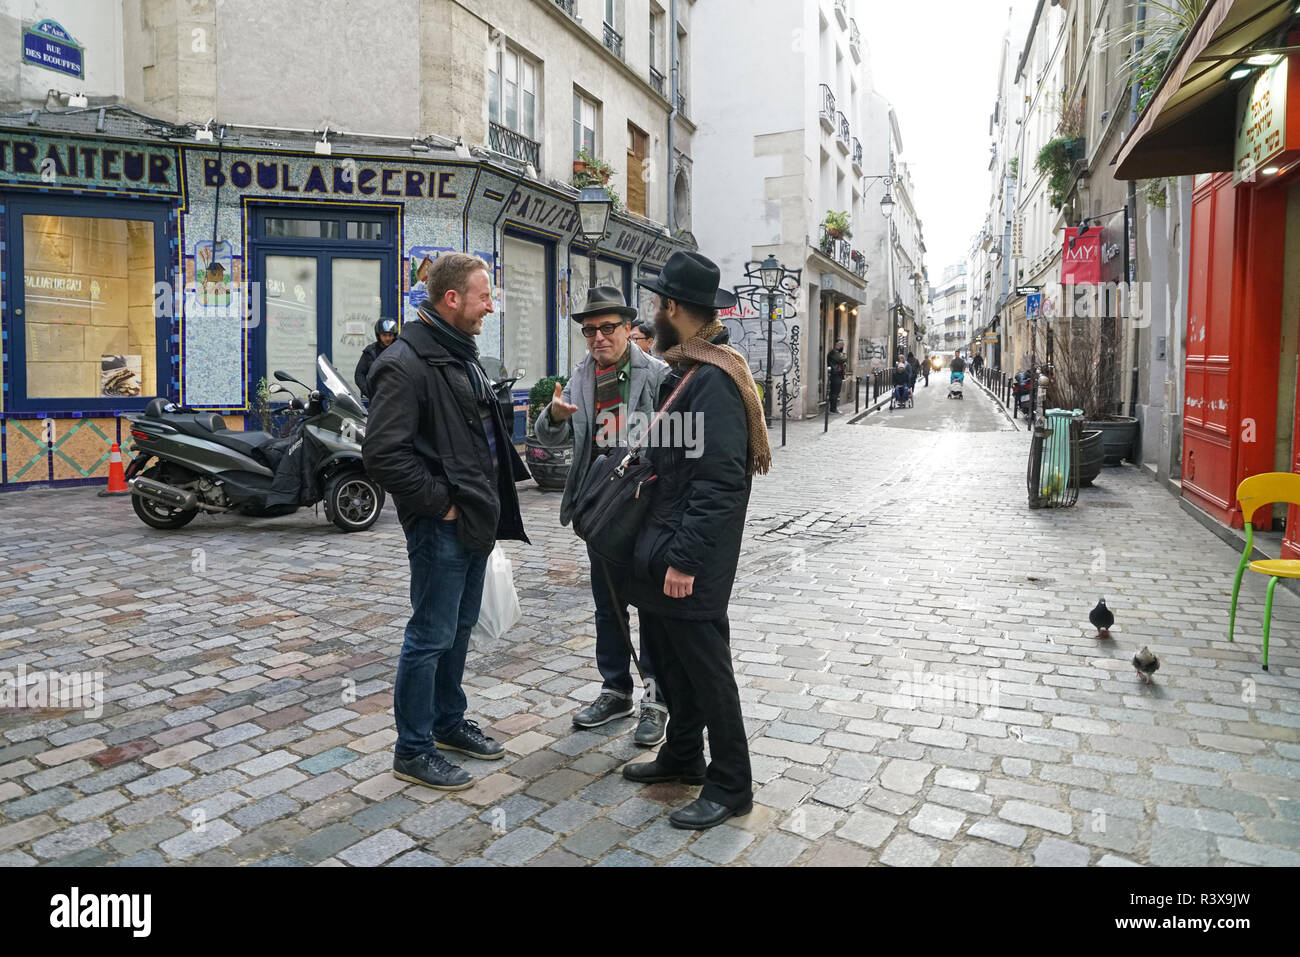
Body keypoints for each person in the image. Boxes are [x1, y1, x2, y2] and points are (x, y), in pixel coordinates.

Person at [363, 253, 530, 791]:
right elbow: (384, 454)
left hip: (475, 519)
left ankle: (448, 722)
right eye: (484, 295)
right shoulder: (406, 361)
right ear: (452, 298)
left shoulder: (460, 352)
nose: (491, 304)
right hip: (444, 524)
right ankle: (412, 749)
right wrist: (442, 504)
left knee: (457, 630)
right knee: (430, 635)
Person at [621, 250, 769, 831]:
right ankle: (683, 755)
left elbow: (720, 483)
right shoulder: (687, 370)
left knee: (707, 671)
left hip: (689, 560)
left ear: (675, 309)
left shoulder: (712, 380)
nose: (653, 313)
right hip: (664, 551)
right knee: (673, 665)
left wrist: (683, 559)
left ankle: (731, 784)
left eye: (659, 303)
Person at [533, 286, 671, 746]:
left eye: (607, 328)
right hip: (600, 511)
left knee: (652, 609)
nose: (597, 337)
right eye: (589, 330)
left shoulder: (657, 375)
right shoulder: (581, 378)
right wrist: (553, 416)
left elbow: (674, 446)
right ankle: (616, 690)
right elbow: (550, 439)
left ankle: (657, 700)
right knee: (608, 608)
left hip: (645, 509)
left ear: (628, 328)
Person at [354, 317, 399, 398]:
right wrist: (369, 392)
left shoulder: (400, 350)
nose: (387, 338)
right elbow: (359, 375)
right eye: (384, 335)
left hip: (395, 396)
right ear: (378, 335)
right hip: (374, 397)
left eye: (390, 335)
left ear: (394, 335)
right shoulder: (370, 352)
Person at [826, 339, 847, 413]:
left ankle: (833, 408)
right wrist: (844, 355)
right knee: (835, 392)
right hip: (835, 374)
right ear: (837, 345)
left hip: (838, 374)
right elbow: (843, 359)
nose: (842, 346)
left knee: (835, 392)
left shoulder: (837, 352)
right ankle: (833, 409)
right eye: (841, 344)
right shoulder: (833, 352)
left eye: (843, 345)